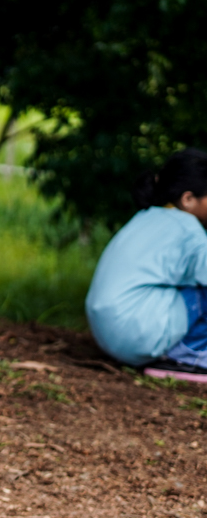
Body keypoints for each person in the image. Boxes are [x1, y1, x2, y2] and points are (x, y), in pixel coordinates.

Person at [86, 148, 207, 372]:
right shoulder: (188, 228)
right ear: (188, 199)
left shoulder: (147, 216)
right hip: (135, 332)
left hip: (109, 333)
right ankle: (189, 357)